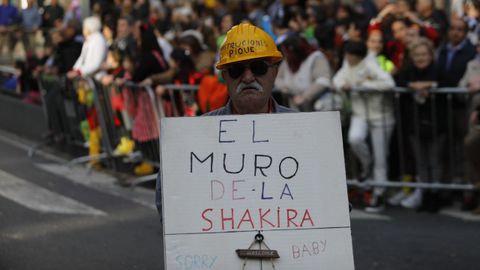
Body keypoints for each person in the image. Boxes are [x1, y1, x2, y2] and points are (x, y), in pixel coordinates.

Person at [155, 23, 294, 215]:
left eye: (258, 67)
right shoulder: (193, 137)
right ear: (225, 77)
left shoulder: (304, 131)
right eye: (236, 70)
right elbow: (169, 207)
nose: (247, 77)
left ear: (274, 72)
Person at [333, 41, 395, 212]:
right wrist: (342, 86)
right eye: (347, 55)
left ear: (358, 56)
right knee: (355, 139)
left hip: (382, 115)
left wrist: (363, 87)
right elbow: (337, 79)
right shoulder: (347, 64)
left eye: (351, 56)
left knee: (381, 157)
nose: (348, 58)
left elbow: (389, 83)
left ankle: (378, 193)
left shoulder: (371, 63)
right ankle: (367, 166)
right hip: (360, 113)